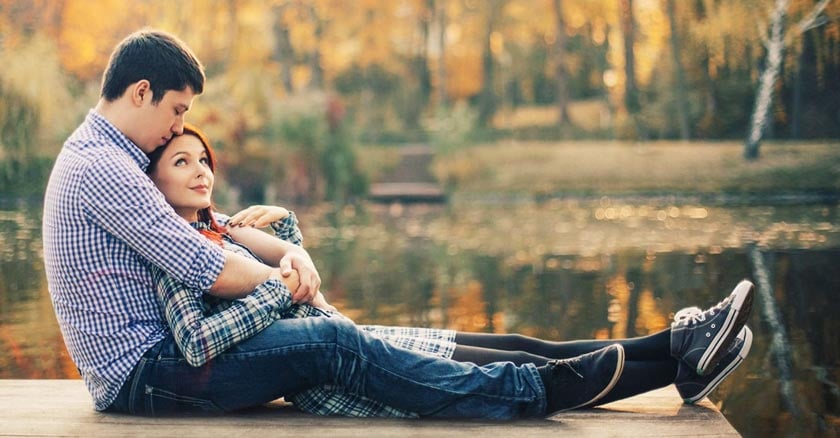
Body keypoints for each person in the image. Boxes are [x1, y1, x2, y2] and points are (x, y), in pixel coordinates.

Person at [41, 28, 753, 419]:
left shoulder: (118, 162)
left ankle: (676, 347)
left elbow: (213, 231)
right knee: (333, 342)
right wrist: (292, 278)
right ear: (142, 91)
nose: (180, 127)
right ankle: (535, 391)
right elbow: (210, 267)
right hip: (149, 376)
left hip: (172, 361)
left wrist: (284, 255)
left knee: (416, 338)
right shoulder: (103, 169)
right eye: (176, 112)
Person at [141, 122, 756, 417]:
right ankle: (680, 355)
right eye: (181, 163)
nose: (200, 171)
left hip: (357, 340)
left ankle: (679, 349)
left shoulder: (220, 229)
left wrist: (289, 237)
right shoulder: (172, 249)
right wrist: (276, 287)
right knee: (526, 368)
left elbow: (308, 290)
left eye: (204, 159)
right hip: (339, 377)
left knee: (518, 343)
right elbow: (201, 340)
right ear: (153, 181)